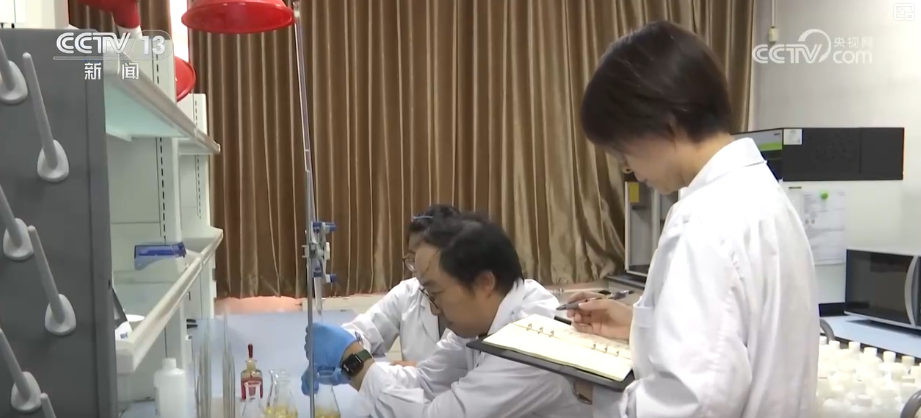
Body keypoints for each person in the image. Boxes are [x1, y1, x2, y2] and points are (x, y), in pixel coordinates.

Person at [570, 21, 819, 417]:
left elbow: (692, 402)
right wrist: (638, 326)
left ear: (664, 125)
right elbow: (731, 339)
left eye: (623, 151)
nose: (629, 168)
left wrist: (596, 395)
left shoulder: (703, 220)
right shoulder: (764, 196)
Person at [303, 213, 592, 418]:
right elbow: (426, 381)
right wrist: (355, 370)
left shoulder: (531, 339)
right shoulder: (478, 323)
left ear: (484, 282)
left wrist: (355, 362)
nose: (433, 308)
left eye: (435, 293)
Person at [340, 204, 459, 367]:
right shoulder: (408, 293)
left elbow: (462, 373)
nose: (418, 270)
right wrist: (346, 346)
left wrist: (418, 371)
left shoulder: (474, 308)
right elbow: (364, 330)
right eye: (412, 259)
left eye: (424, 259)